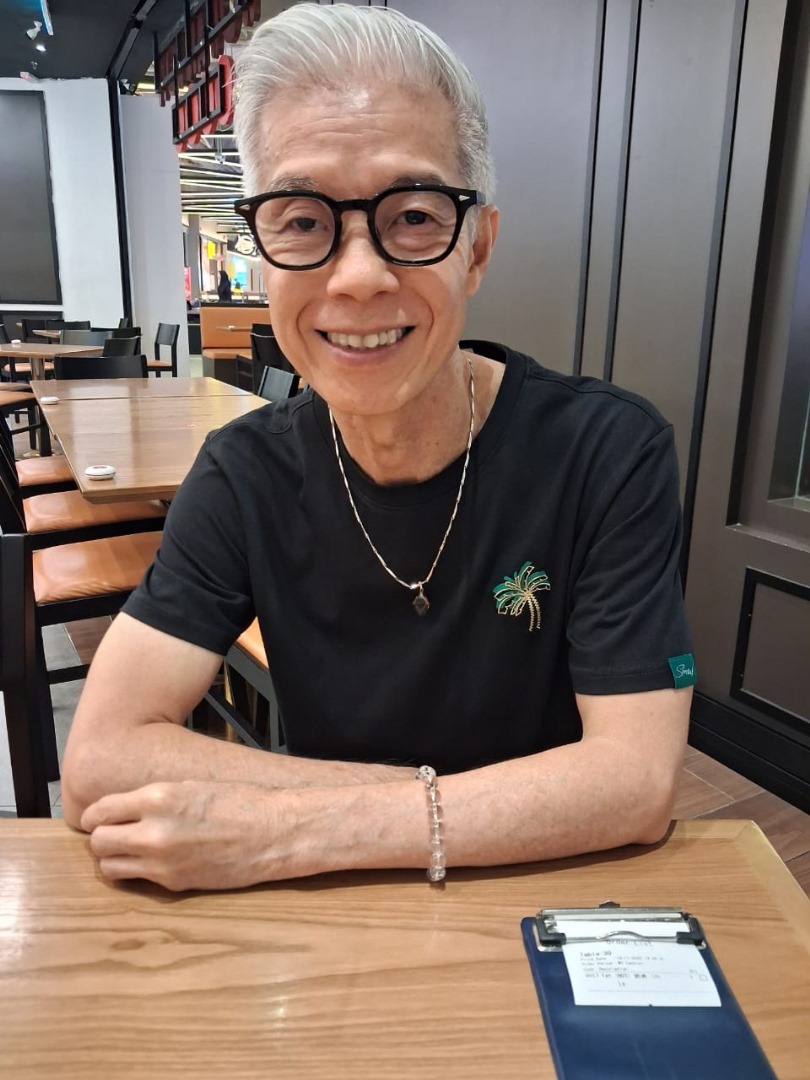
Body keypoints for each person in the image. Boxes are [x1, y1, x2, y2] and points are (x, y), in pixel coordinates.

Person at [61, 3, 694, 892]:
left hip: (544, 901)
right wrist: (469, 810)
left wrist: (286, 830)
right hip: (346, 911)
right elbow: (99, 760)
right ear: (263, 253)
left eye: (414, 215)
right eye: (301, 220)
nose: (358, 276)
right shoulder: (242, 475)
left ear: (477, 248)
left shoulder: (606, 453)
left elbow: (635, 781)